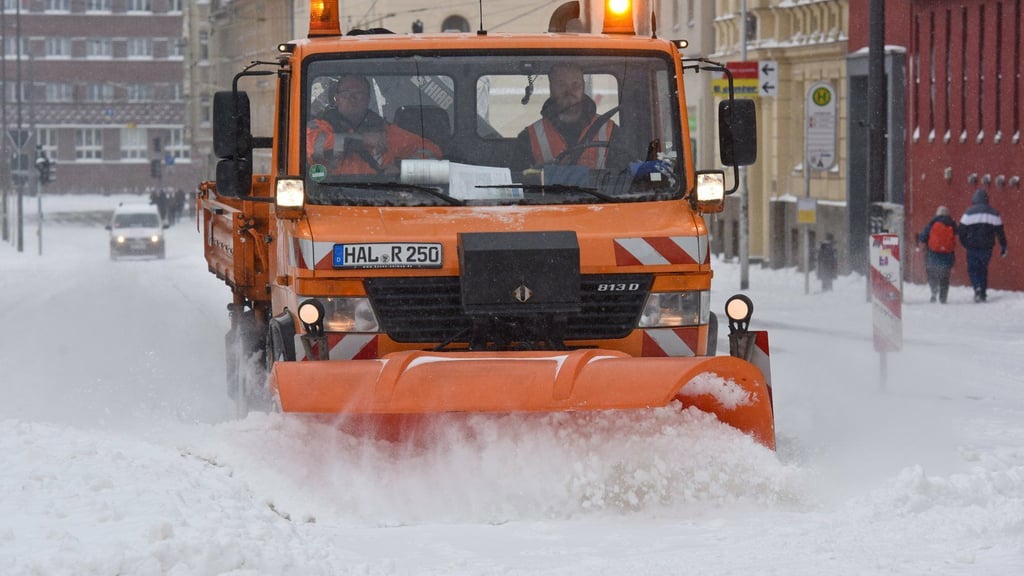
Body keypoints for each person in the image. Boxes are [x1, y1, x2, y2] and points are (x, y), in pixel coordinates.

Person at [306, 75, 441, 175]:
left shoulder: (385, 132)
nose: (352, 98)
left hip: (380, 200)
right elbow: (315, 148)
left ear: (368, 99)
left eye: (359, 93)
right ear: (336, 99)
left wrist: (401, 169)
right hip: (328, 199)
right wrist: (363, 139)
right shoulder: (319, 126)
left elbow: (432, 153)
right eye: (346, 93)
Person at [514, 64, 625, 172]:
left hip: (598, 192)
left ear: (583, 87)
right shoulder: (529, 137)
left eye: (575, 84)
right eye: (561, 84)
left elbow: (624, 178)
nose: (569, 91)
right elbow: (520, 182)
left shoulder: (611, 132)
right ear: (551, 87)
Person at [958, 188, 1008, 303]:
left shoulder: (968, 213)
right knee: (983, 269)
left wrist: (964, 243)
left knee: (972, 269)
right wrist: (1003, 246)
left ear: (974, 199)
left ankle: (977, 287)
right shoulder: (994, 213)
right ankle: (983, 293)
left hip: (972, 246)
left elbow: (961, 230)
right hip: (987, 247)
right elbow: (1000, 232)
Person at [916, 205, 957, 303]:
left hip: (932, 256)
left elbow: (922, 237)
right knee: (945, 277)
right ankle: (943, 298)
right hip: (947, 256)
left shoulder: (933, 223)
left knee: (931, 274)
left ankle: (934, 291)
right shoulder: (952, 224)